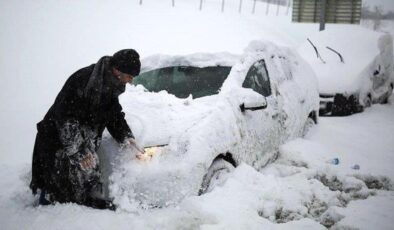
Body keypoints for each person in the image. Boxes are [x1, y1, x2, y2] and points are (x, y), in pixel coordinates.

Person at [30, 49, 144, 209]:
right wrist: (79, 151)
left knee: (84, 178)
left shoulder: (112, 85)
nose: (130, 81)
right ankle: (47, 215)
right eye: (130, 76)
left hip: (80, 137)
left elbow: (113, 114)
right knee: (56, 186)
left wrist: (125, 135)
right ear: (117, 70)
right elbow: (65, 119)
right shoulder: (83, 80)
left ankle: (83, 209)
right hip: (58, 139)